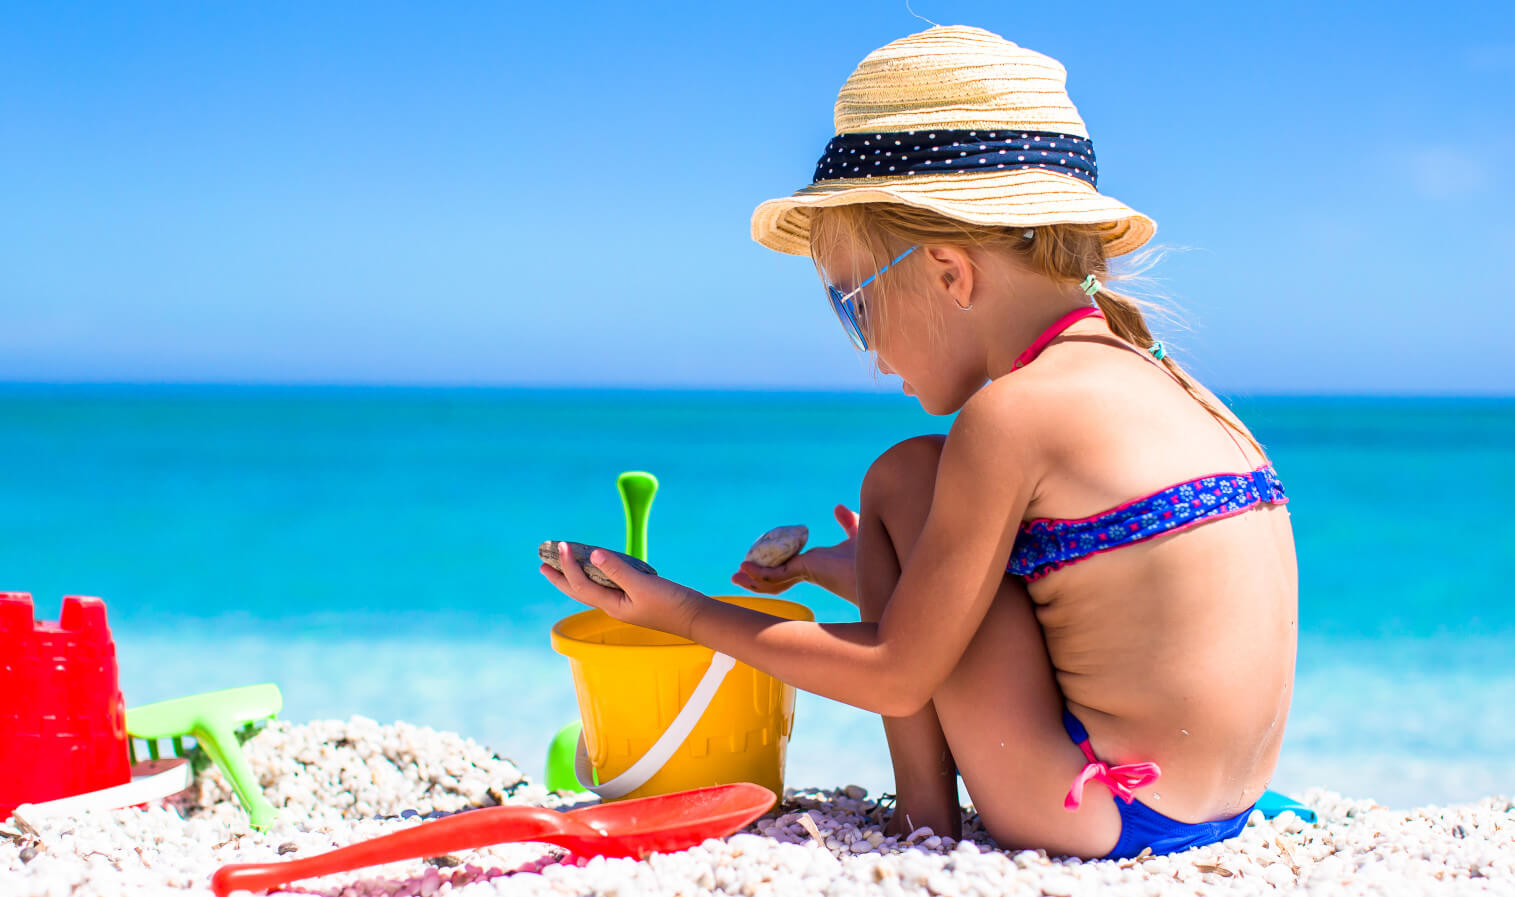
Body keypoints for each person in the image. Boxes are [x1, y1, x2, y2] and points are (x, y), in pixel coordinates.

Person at [539, 24, 1297, 860]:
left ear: (948, 271)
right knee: (914, 491)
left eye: (851, 303)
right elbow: (1109, 602)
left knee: (903, 474)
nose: (865, 347)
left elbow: (899, 668)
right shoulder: (1174, 387)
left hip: (1089, 808)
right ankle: (923, 795)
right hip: (1213, 804)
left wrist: (681, 611)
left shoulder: (1010, 415)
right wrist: (851, 568)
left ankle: (922, 821)